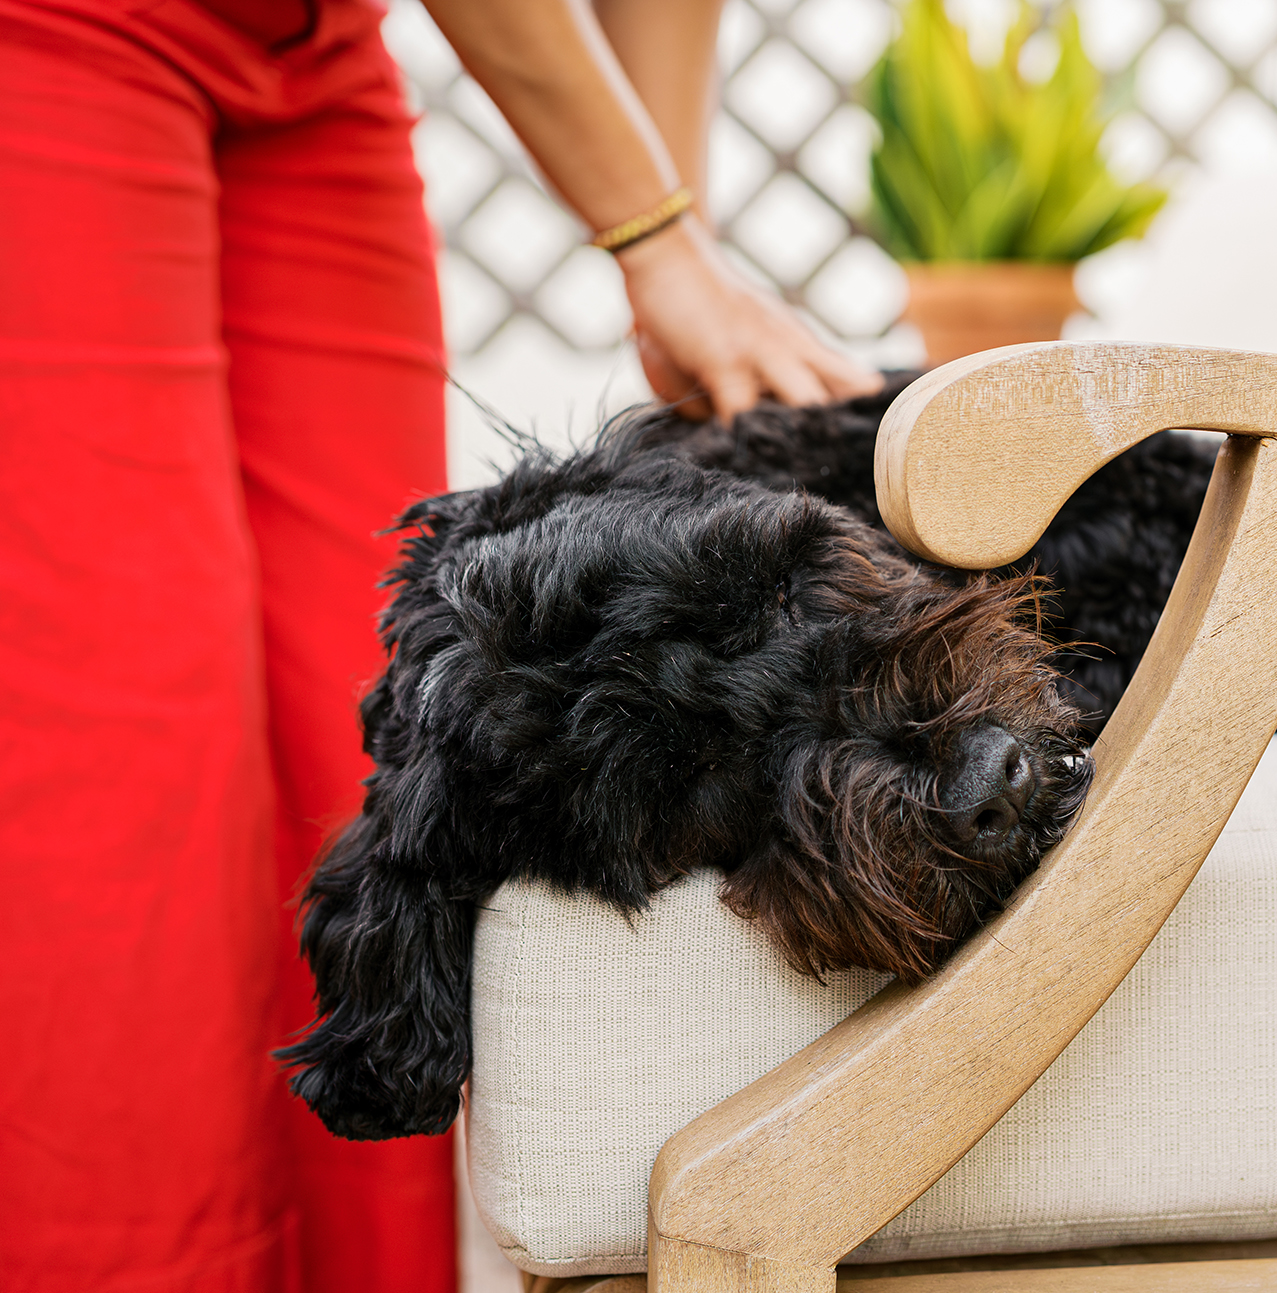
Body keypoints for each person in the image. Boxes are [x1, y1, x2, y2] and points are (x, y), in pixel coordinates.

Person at [0, 0, 879, 1288]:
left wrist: (671, 241)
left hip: (316, 58)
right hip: (52, 41)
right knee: (137, 791)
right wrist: (654, 239)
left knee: (358, 748)